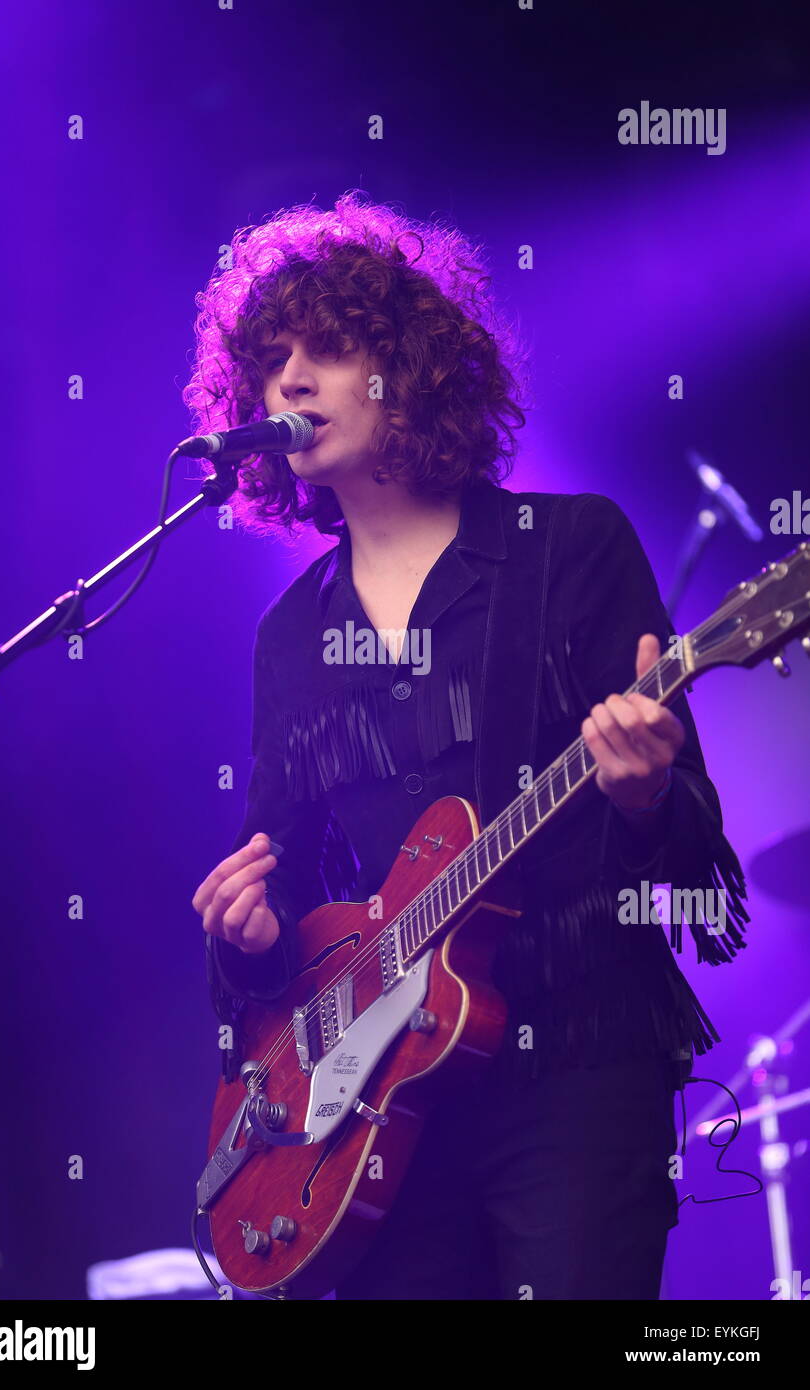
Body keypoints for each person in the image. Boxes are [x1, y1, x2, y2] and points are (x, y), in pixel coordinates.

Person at [189, 192, 750, 1300]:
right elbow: (291, 894)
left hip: (574, 1074)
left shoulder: (570, 549)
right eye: (270, 360)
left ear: (410, 369)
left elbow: (695, 853)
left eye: (330, 348)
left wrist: (641, 797)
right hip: (384, 1108)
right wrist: (245, 937)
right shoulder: (289, 636)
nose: (288, 382)